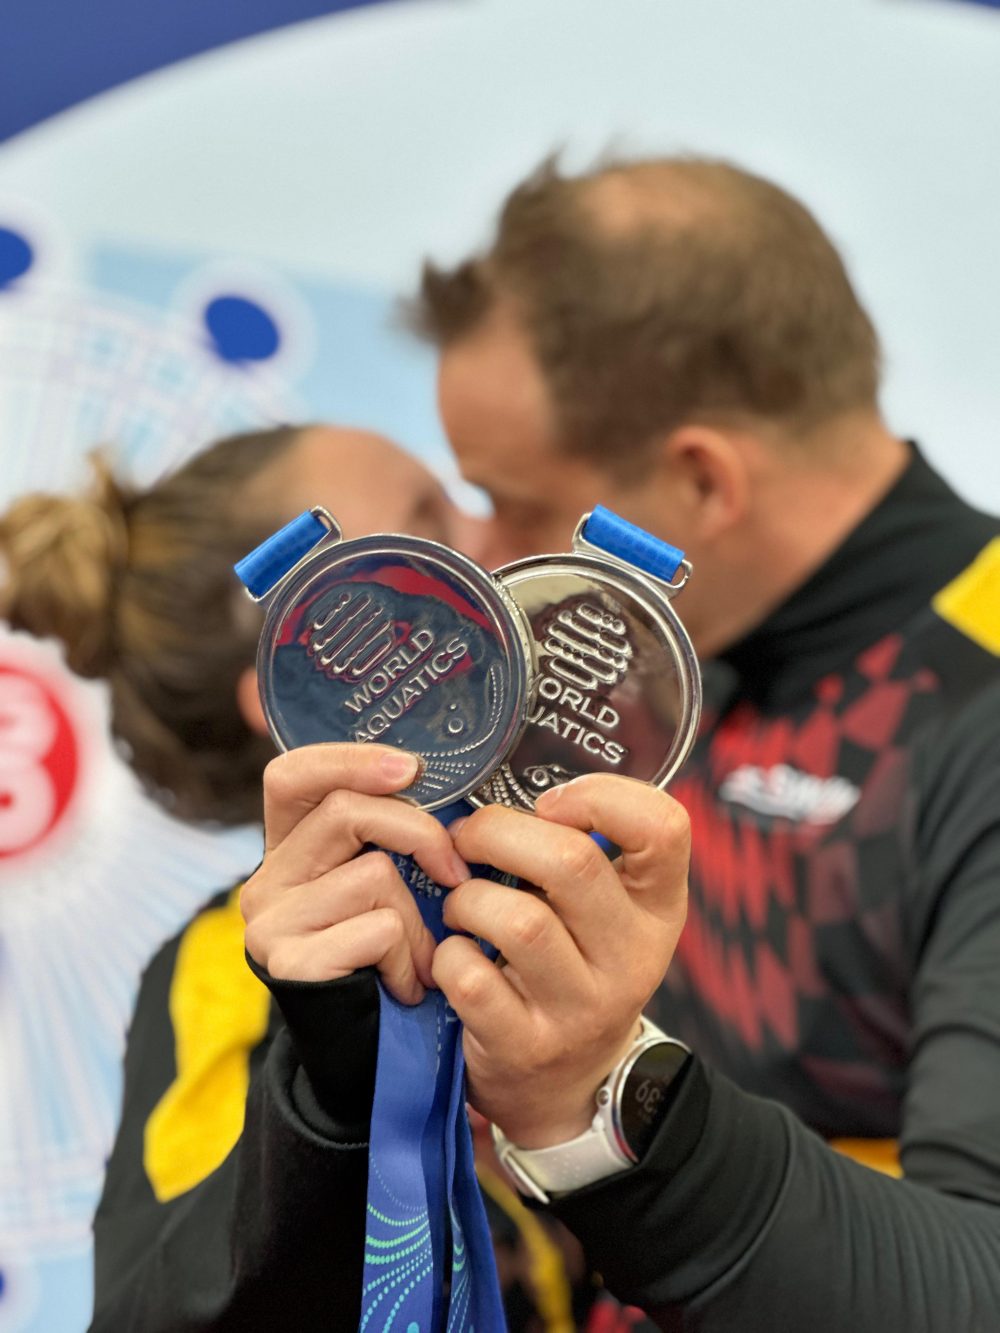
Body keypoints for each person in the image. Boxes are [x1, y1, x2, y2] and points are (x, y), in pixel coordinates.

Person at [92, 156, 1000, 1331]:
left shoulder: (938, 707)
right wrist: (338, 1090)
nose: (489, 567)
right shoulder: (610, 729)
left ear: (697, 482)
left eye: (510, 502)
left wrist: (603, 1103)